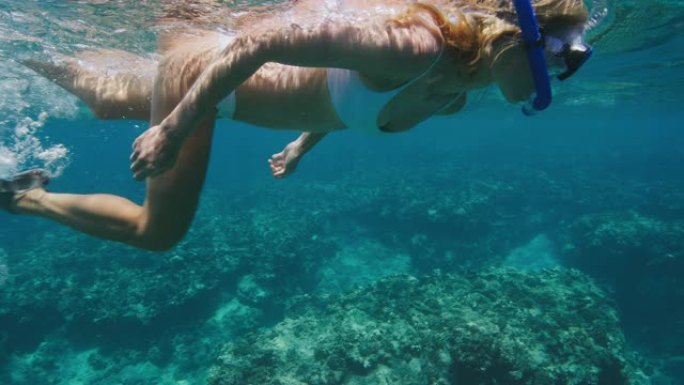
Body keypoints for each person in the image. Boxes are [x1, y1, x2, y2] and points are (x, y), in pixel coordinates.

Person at [1, 0, 591, 251]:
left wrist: (302, 146)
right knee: (157, 233)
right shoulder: (420, 47)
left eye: (577, 56)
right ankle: (25, 198)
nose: (569, 65)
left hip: (219, 92)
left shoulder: (456, 93)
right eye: (565, 50)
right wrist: (174, 129)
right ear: (517, 32)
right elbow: (263, 38)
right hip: (200, 78)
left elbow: (346, 101)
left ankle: (18, 53)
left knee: (108, 99)